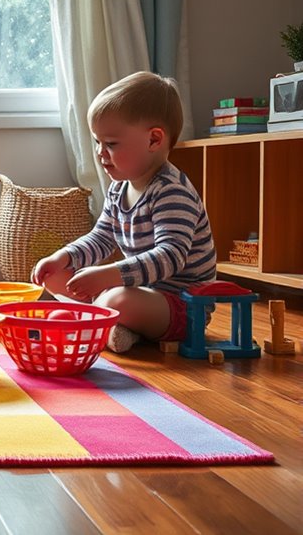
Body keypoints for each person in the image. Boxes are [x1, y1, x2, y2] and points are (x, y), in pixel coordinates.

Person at [31, 71, 217, 352]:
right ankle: (114, 326)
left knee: (118, 299)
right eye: (97, 142)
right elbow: (101, 238)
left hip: (181, 307)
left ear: (154, 140)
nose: (100, 153)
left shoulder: (171, 191)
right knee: (54, 276)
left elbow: (170, 257)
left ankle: (97, 321)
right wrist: (63, 257)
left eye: (111, 144)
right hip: (138, 292)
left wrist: (107, 276)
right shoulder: (118, 189)